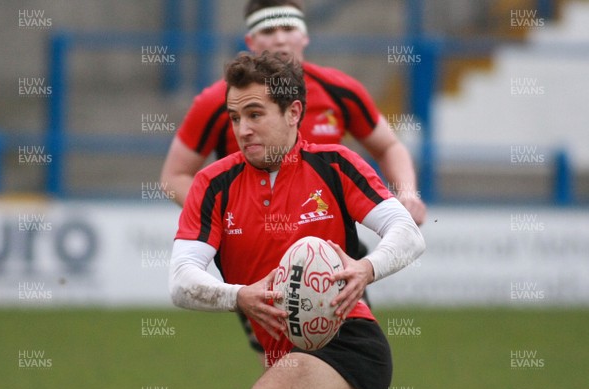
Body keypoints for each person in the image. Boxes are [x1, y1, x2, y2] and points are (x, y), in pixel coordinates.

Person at [161, 0, 427, 361]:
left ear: (305, 36)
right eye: (268, 31)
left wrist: (406, 193)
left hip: (326, 246)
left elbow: (388, 145)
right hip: (253, 261)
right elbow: (174, 174)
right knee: (282, 365)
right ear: (250, 41)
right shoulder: (218, 101)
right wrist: (228, 216)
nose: (280, 40)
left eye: (288, 29)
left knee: (335, 357)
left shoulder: (339, 93)